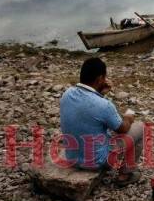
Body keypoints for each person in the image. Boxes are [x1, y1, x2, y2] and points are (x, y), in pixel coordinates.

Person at [59, 57, 143, 186]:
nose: (105, 80)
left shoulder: (67, 94)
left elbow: (88, 111)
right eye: (104, 78)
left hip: (72, 157)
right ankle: (124, 175)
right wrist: (128, 117)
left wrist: (101, 94)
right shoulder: (104, 105)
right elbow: (122, 129)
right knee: (141, 127)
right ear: (99, 79)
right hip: (95, 161)